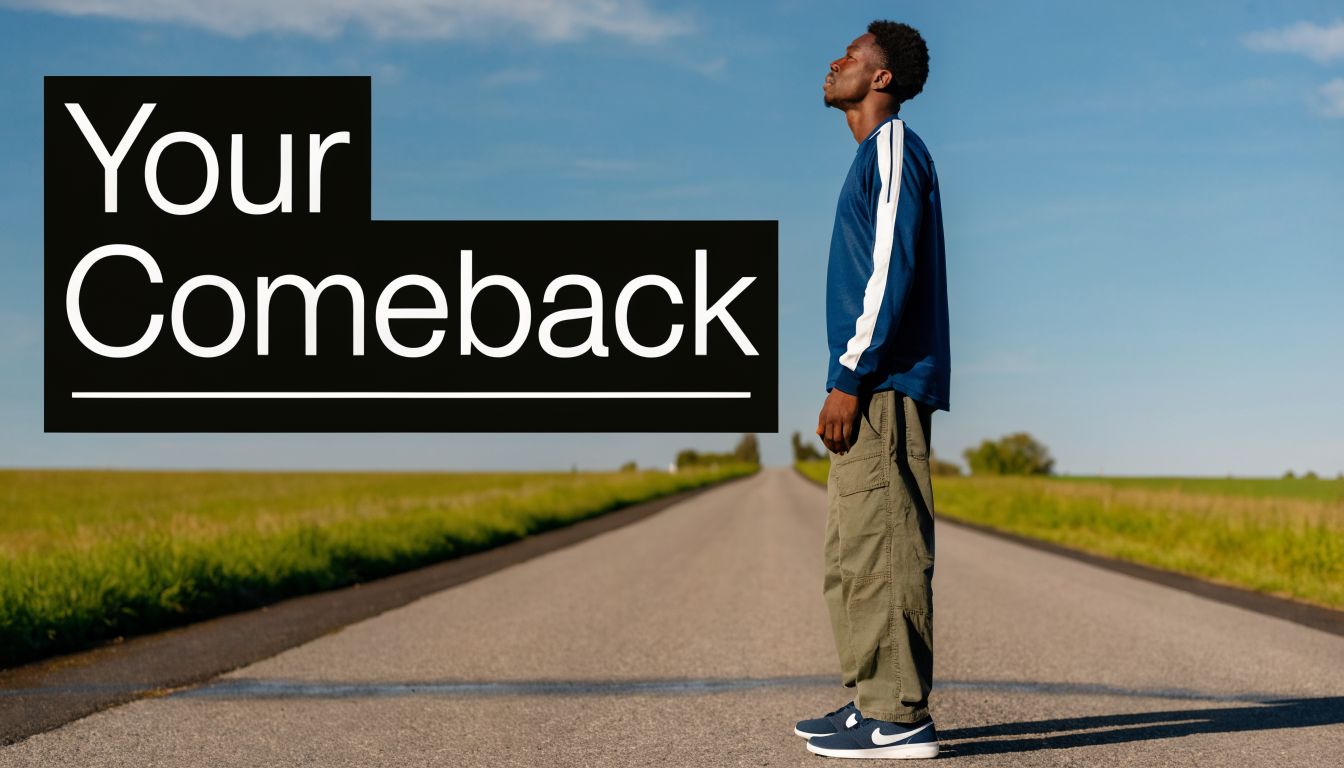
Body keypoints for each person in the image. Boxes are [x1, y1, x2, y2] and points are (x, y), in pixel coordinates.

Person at [794, 19, 950, 760]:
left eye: (851, 56)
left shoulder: (891, 149)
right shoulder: (870, 158)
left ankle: (898, 714)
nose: (836, 61)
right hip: (870, 379)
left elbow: (889, 269)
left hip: (880, 383)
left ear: (880, 78)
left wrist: (848, 377)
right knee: (854, 549)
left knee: (885, 543)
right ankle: (871, 701)